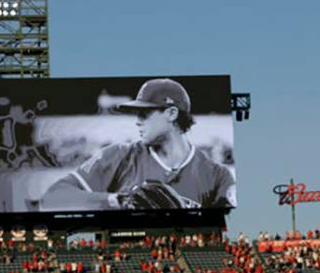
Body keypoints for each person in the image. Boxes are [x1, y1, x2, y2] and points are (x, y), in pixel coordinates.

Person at [40, 77, 235, 211]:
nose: (137, 121)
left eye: (144, 114)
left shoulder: (217, 176)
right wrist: (116, 201)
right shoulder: (119, 156)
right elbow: (51, 199)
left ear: (171, 114)